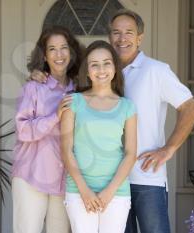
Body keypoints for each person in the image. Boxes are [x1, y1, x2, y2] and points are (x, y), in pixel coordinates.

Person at [31, 9, 194, 233]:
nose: (122, 38)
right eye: (116, 32)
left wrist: (168, 149)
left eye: (129, 32)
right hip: (107, 180)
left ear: (140, 37)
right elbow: (62, 71)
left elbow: (191, 108)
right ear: (110, 37)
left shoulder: (156, 71)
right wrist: (39, 74)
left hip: (146, 178)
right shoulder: (102, 69)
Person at [61, 40, 137, 233]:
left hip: (116, 192)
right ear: (87, 71)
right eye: (94, 64)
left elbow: (130, 153)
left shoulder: (127, 106)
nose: (101, 69)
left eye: (107, 63)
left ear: (115, 67)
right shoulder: (73, 102)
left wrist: (109, 192)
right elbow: (66, 149)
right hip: (79, 191)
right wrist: (85, 191)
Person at [11, 25, 82, 233]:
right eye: (52, 49)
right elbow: (23, 130)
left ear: (72, 52)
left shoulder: (80, 90)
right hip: (31, 176)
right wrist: (55, 116)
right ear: (44, 55)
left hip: (64, 179)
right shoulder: (33, 88)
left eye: (64, 48)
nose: (59, 55)